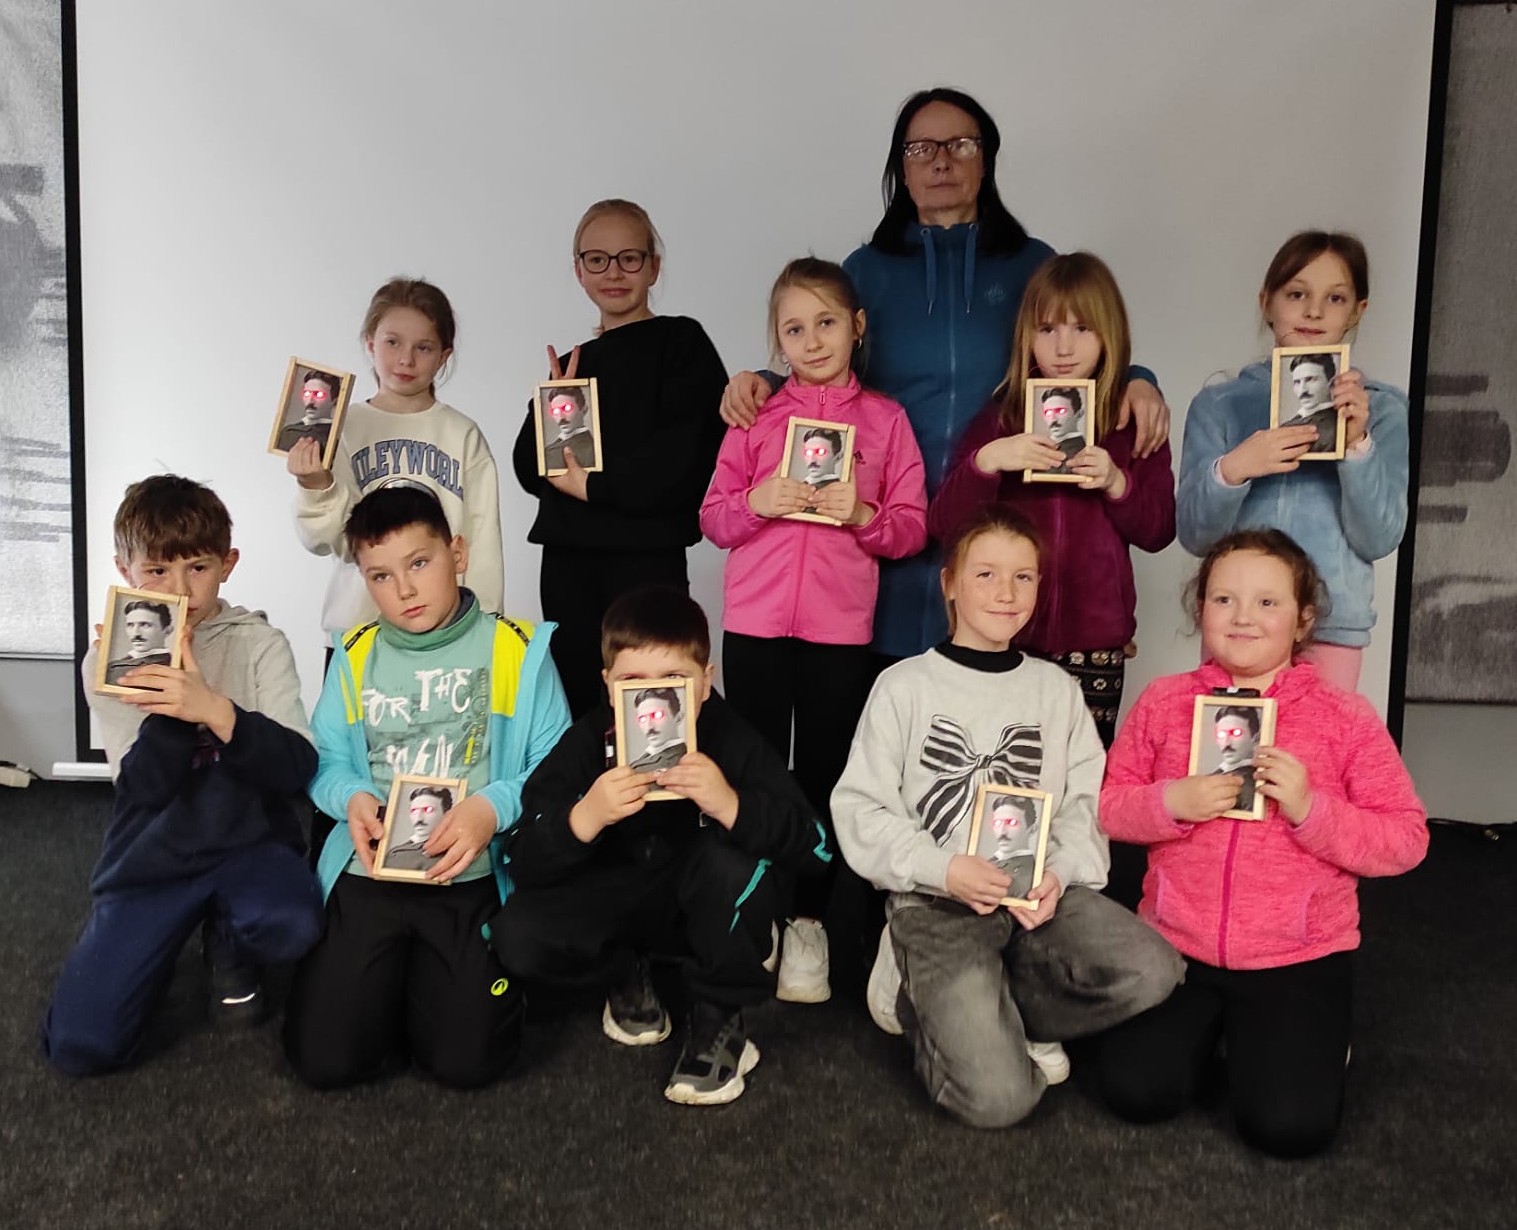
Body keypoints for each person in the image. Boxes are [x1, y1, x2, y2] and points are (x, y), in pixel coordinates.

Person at [719, 88, 1170, 664]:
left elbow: (1082, 340)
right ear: (900, 169)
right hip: (884, 534)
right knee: (886, 704)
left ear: (986, 160)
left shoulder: (1033, 263)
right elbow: (821, 358)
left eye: (960, 145)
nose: (941, 161)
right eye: (921, 149)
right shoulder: (867, 270)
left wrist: (1138, 377)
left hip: (1001, 529)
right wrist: (765, 378)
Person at [831, 504, 1183, 1128]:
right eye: (986, 574)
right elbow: (861, 807)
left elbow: (1084, 803)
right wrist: (942, 869)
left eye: (1024, 577)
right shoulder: (904, 686)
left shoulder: (1056, 690)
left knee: (1155, 970)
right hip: (936, 903)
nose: (1006, 593)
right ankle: (911, 989)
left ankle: (1007, 1007)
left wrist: (1059, 873)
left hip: (1035, 897)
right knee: (999, 1101)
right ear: (950, 583)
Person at [1096, 529, 1428, 1157]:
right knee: (1135, 1092)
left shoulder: (1345, 717)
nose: (1243, 616)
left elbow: (1407, 839)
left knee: (1288, 1129)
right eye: (1224, 599)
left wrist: (1311, 810)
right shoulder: (1165, 702)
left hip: (1297, 955)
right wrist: (1170, 804)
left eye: (1268, 602)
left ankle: (1300, 1041)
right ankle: (1229, 1037)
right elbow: (1109, 807)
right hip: (1175, 946)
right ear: (1201, 609)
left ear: (1304, 620)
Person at [489, 587, 830, 1106]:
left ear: (705, 682)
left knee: (735, 867)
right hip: (619, 895)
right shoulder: (588, 739)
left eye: (673, 680)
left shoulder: (730, 737)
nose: (652, 701)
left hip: (701, 902)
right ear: (608, 685)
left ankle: (719, 1016)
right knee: (517, 934)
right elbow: (521, 855)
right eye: (632, 682)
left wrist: (731, 805)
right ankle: (623, 971)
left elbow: (817, 850)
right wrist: (584, 817)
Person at [281, 486, 570, 1090]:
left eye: (419, 563)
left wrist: (492, 808)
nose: (404, 590)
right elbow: (325, 761)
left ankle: (433, 986)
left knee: (466, 1065)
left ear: (456, 553)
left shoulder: (517, 649)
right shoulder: (355, 654)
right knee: (325, 1062)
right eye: (380, 576)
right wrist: (351, 797)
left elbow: (556, 769)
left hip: (469, 871)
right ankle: (391, 982)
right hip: (371, 870)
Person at [700, 257, 928, 1005]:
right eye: (794, 329)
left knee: (827, 776)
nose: (812, 340)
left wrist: (860, 515)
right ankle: (756, 909)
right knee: (755, 771)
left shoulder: (886, 421)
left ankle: (809, 922)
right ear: (778, 340)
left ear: (856, 327)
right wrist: (759, 500)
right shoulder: (756, 417)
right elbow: (713, 518)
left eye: (826, 322)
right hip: (755, 627)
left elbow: (911, 528)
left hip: (838, 632)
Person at [42, 476, 323, 1076]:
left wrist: (215, 710)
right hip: (154, 855)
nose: (179, 591)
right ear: (125, 571)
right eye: (157, 571)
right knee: (81, 1047)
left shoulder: (258, 643)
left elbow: (297, 768)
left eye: (197, 568)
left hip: (248, 841)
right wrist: (172, 708)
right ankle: (159, 940)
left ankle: (229, 935)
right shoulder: (112, 657)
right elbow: (142, 790)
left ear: (227, 564)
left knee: (293, 925)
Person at [928, 253, 1176, 746]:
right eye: (1047, 329)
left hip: (1095, 643)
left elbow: (1159, 531)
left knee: (1081, 768)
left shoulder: (1129, 421)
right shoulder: (1002, 417)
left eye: (1082, 329)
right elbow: (943, 524)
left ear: (1109, 334)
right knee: (1003, 766)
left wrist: (1117, 483)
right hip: (1006, 632)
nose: (1063, 347)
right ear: (1026, 336)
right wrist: (988, 461)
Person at [514, 199, 728, 718]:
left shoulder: (681, 342)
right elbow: (528, 466)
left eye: (629, 258)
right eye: (598, 260)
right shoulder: (575, 363)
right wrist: (556, 407)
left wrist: (593, 487)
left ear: (653, 267)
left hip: (645, 559)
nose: (613, 273)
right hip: (567, 565)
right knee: (580, 707)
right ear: (579, 271)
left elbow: (685, 460)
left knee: (654, 709)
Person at [1177, 231, 1409, 693]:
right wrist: (1235, 468)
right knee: (1233, 739)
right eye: (1297, 294)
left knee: (1319, 740)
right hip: (1238, 622)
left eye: (1335, 298)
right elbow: (1195, 534)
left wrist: (1357, 444)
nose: (1314, 311)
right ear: (1267, 302)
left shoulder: (1382, 410)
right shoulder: (1219, 405)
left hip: (1332, 625)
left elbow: (1380, 537)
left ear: (1358, 310)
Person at [288, 277, 505, 638]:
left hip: (447, 634)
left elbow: (482, 543)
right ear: (370, 343)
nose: (406, 359)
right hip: (360, 631)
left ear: (444, 356)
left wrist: (485, 630)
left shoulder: (462, 434)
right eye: (392, 342)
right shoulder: (341, 426)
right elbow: (325, 541)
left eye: (424, 347)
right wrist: (315, 486)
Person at [382, 785, 453, 872]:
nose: (419, 818)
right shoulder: (395, 851)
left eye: (428, 810)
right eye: (414, 811)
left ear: (446, 813)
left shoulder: (445, 854)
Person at [104, 599, 175, 683]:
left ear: (167, 631)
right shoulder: (113, 666)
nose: (136, 633)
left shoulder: (172, 668)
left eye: (145, 625)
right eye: (131, 625)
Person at [1282, 352, 1340, 451]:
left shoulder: (1336, 427)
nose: (1303, 390)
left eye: (1310, 380)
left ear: (1331, 383)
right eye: (1297, 382)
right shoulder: (1287, 426)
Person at [1209, 703, 1261, 811]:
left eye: (1236, 733)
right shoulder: (1210, 778)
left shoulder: (1251, 786)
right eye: (1221, 735)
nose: (1227, 743)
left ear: (1255, 738)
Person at [277, 370, 342, 453]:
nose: (310, 401)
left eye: (319, 394)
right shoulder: (287, 432)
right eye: (307, 393)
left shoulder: (336, 437)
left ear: (334, 400)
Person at [627, 685, 688, 771]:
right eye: (643, 719)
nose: (649, 726)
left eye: (657, 715)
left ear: (678, 717)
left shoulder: (680, 761)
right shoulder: (647, 757)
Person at [542, 387, 595, 470]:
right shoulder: (550, 449)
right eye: (555, 411)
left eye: (567, 408)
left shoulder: (591, 448)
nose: (561, 417)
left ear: (584, 410)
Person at [1039, 385, 1086, 468]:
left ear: (1078, 414)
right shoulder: (1040, 448)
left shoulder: (1079, 452)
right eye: (1048, 413)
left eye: (1061, 411)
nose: (1053, 419)